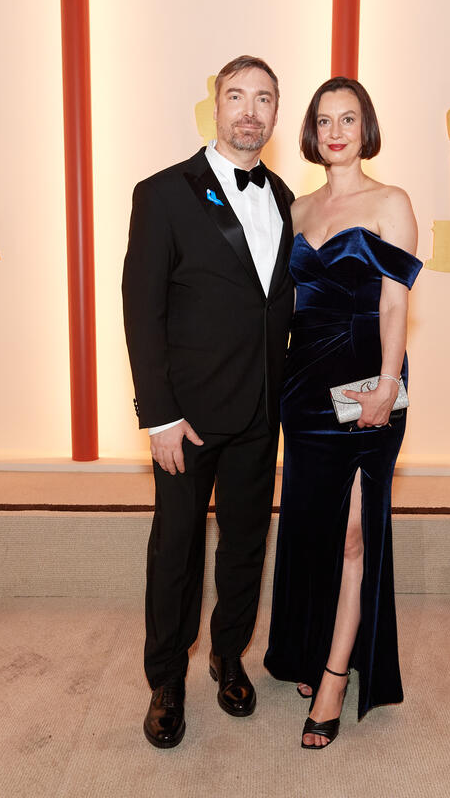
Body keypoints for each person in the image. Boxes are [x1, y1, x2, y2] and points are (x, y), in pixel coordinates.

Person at [122, 55, 294, 749]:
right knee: (177, 552)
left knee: (247, 548)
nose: (250, 110)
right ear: (214, 106)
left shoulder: (286, 198)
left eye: (264, 99)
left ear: (275, 114)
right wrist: (159, 415)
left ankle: (228, 659)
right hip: (185, 421)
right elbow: (142, 309)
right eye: (237, 96)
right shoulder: (163, 193)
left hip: (261, 413)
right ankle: (166, 679)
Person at [263, 77, 421, 749]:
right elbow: (281, 308)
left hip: (366, 380)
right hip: (304, 389)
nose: (335, 130)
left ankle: (335, 676)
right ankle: (313, 642)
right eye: (324, 119)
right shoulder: (296, 210)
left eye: (348, 118)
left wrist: (386, 384)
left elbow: (393, 304)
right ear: (311, 131)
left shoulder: (391, 201)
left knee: (357, 533)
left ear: (365, 128)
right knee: (310, 527)